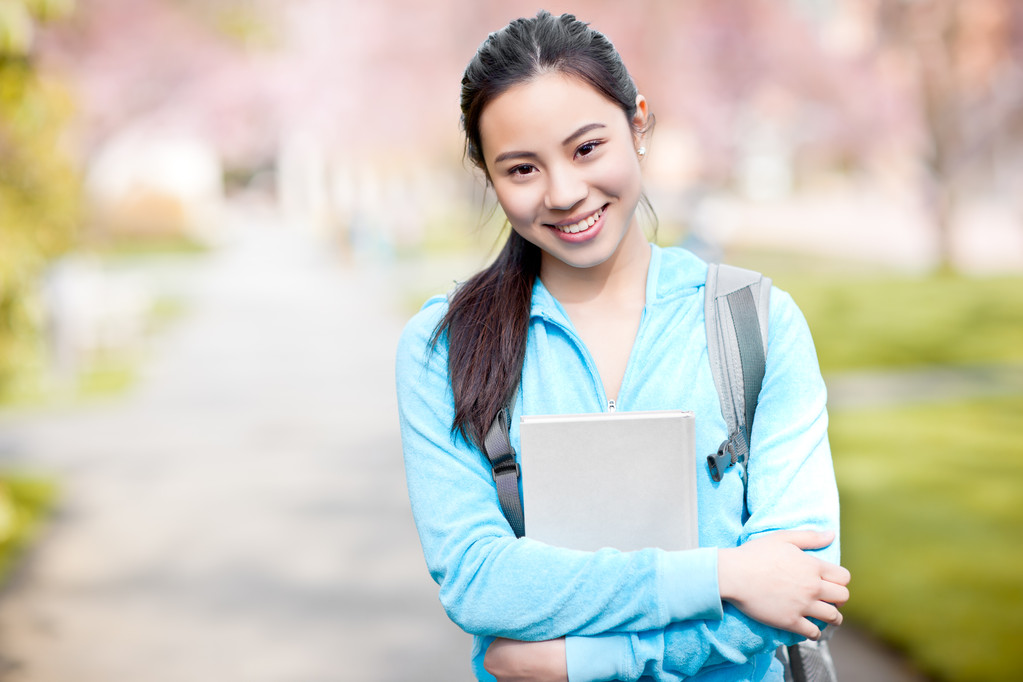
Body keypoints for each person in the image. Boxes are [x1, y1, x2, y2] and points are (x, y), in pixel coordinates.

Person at [395, 10, 850, 682]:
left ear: (637, 124)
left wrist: (589, 660)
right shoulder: (442, 348)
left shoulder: (753, 321)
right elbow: (479, 579)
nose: (564, 193)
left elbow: (799, 586)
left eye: (586, 149)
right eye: (521, 169)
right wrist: (722, 572)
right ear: (487, 176)